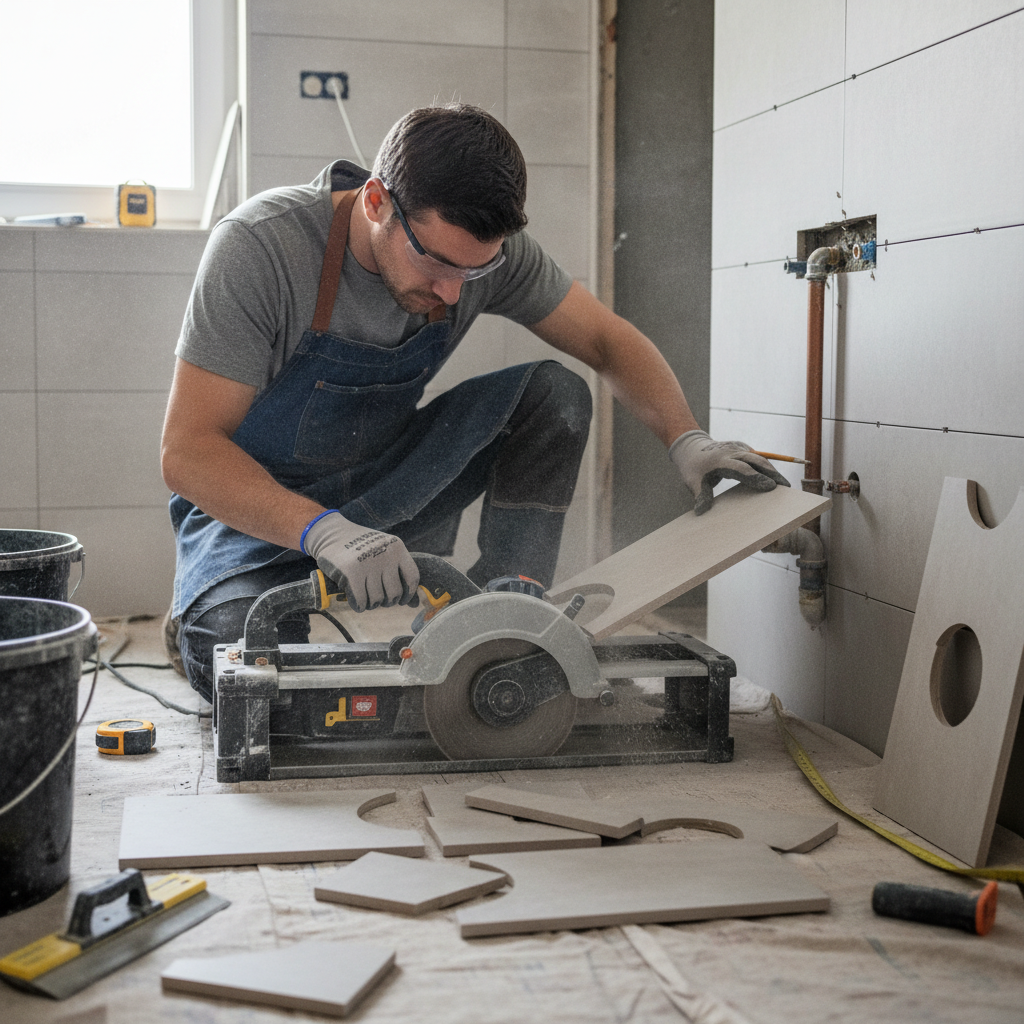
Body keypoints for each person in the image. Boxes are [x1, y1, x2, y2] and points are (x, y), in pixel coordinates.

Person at [161, 103, 786, 703]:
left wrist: (687, 439)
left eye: (474, 272)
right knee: (257, 678)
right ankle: (198, 605)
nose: (450, 290)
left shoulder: (479, 258)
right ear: (377, 201)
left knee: (554, 395)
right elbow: (188, 453)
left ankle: (500, 619)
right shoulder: (260, 248)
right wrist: (321, 529)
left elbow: (603, 339)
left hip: (387, 483)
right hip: (252, 516)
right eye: (434, 261)